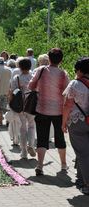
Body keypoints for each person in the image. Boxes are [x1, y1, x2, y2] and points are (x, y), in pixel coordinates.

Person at [28, 48, 69, 176]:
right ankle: (63, 164)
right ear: (61, 60)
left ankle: (40, 165)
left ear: (49, 59)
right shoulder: (63, 74)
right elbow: (66, 93)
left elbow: (31, 86)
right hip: (58, 111)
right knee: (60, 138)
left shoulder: (41, 70)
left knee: (42, 138)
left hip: (42, 109)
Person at [62, 57, 89, 195]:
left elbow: (67, 105)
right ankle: (81, 178)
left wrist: (63, 123)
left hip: (78, 122)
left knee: (83, 153)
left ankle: (87, 184)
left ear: (79, 70)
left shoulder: (75, 84)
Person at [10, 58, 36, 159]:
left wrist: (11, 105)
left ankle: (24, 151)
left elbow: (12, 92)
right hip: (32, 104)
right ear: (30, 66)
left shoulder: (16, 78)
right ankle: (31, 145)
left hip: (20, 105)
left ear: (19, 67)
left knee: (22, 128)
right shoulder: (34, 77)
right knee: (32, 126)